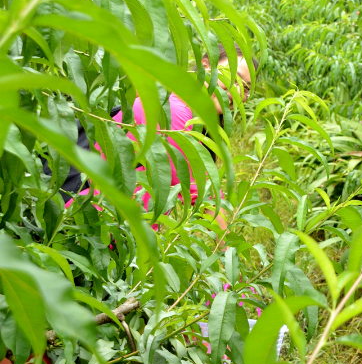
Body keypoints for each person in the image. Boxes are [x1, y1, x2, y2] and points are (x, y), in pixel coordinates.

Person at [67, 45, 256, 231]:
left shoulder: (173, 99)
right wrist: (226, 254)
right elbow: (205, 197)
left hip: (104, 227)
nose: (238, 92)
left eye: (246, 88)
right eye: (234, 78)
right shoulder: (175, 113)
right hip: (87, 225)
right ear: (206, 65)